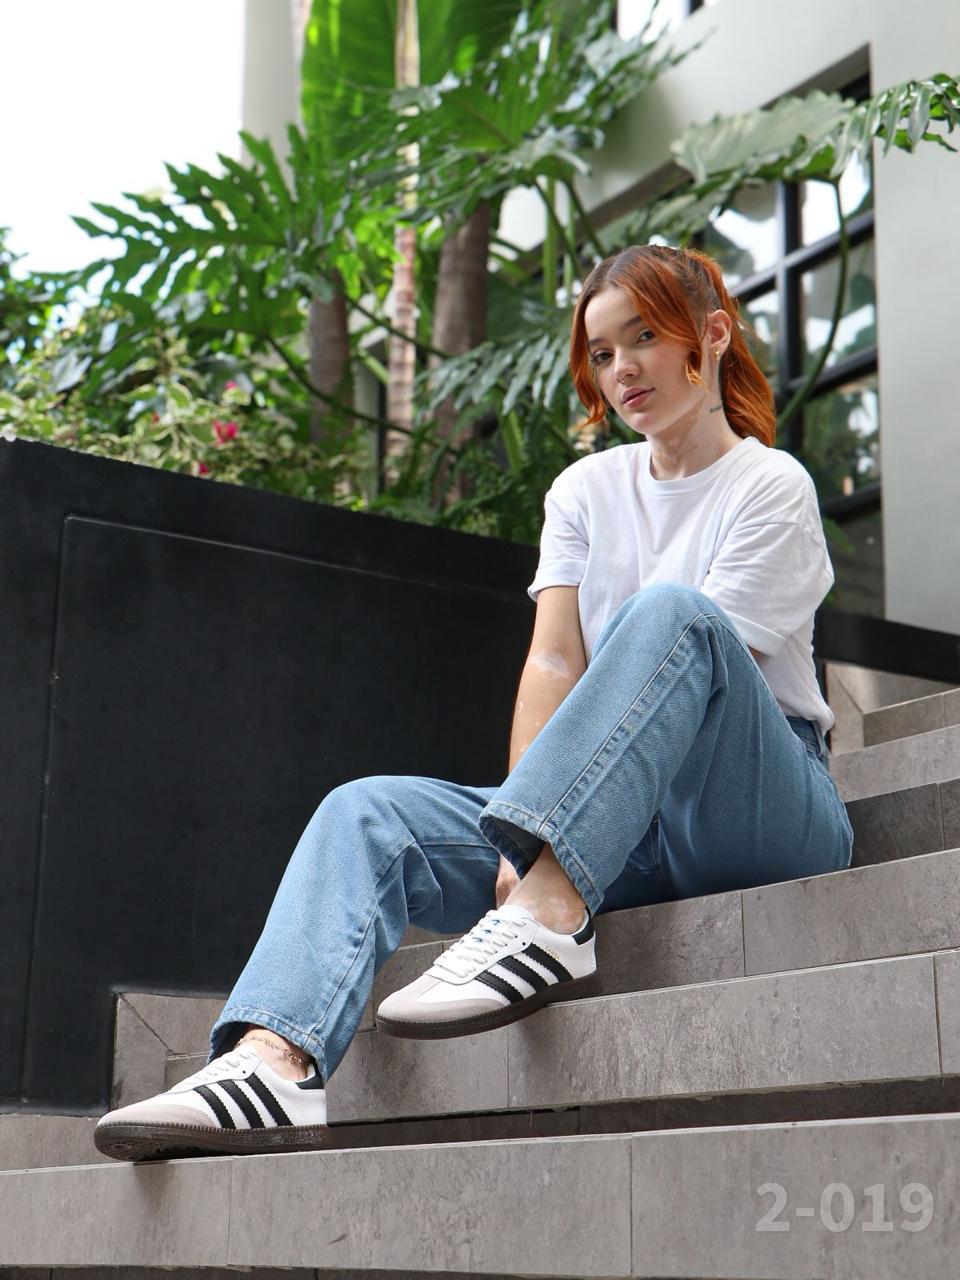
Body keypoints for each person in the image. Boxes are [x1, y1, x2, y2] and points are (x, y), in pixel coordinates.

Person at [94, 244, 854, 1162]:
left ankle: (549, 919)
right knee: (367, 814)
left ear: (715, 336)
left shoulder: (770, 486)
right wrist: (522, 837)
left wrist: (549, 855)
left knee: (672, 616)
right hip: (620, 827)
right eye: (602, 353)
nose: (622, 369)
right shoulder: (585, 491)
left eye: (645, 338)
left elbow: (696, 678)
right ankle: (270, 1065)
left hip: (760, 810)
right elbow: (553, 661)